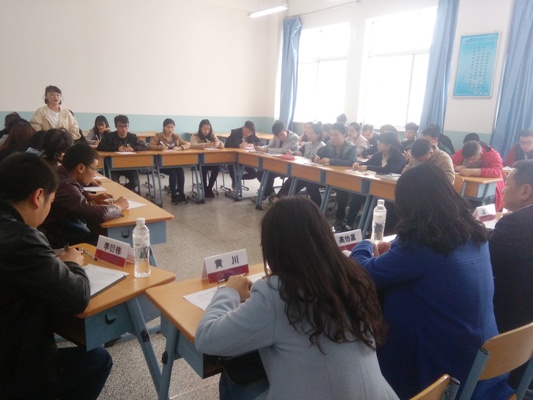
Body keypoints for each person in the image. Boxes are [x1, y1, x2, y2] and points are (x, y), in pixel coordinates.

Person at [195, 197, 399, 400]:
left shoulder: (278, 293)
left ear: (274, 249)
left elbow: (206, 338)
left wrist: (229, 292)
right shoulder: (353, 275)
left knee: (231, 375)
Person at [350, 164, 513, 400]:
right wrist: (394, 255)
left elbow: (363, 273)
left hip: (446, 370)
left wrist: (364, 244)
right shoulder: (473, 231)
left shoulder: (425, 241)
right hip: (484, 360)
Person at [0, 152, 112, 399]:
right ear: (38, 197)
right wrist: (72, 263)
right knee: (99, 360)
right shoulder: (22, 238)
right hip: (12, 368)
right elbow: (78, 297)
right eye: (50, 201)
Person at [490, 160, 533, 389]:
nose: (503, 189)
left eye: (507, 184)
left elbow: (484, 263)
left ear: (525, 191)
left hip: (510, 328)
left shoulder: (515, 224)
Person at [40, 143, 128, 248]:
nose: (95, 173)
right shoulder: (65, 185)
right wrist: (118, 206)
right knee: (99, 242)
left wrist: (91, 196)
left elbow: (72, 193)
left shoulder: (61, 172)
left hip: (55, 225)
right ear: (81, 168)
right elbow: (99, 214)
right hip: (51, 233)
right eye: (94, 169)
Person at [344, 132, 406, 232]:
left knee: (373, 202)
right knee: (357, 196)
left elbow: (389, 169)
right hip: (375, 186)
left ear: (389, 145)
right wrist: (358, 164)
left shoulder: (398, 157)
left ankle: (367, 229)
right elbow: (368, 163)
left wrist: (368, 167)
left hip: (389, 189)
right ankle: (348, 225)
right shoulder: (378, 155)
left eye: (381, 142)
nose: (378, 144)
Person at [313, 122, 356, 231]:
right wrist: (316, 158)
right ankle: (316, 209)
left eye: (336, 135)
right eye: (331, 134)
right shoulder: (328, 144)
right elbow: (317, 153)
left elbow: (351, 162)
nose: (332, 137)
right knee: (310, 182)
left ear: (344, 135)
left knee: (341, 192)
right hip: (328, 177)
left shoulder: (351, 147)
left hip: (344, 179)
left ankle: (340, 217)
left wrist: (331, 161)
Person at [276, 122, 325, 206]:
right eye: (308, 133)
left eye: (311, 133)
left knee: (305, 181)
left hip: (315, 174)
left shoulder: (322, 146)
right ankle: (279, 199)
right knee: (293, 179)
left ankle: (316, 206)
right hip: (305, 171)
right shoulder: (307, 144)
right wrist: (291, 153)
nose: (308, 135)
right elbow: (299, 153)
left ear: (318, 134)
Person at [97, 115, 148, 192]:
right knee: (114, 183)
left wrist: (133, 148)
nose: (124, 129)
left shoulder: (132, 137)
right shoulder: (109, 136)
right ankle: (120, 192)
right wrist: (116, 148)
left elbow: (145, 145)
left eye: (126, 126)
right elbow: (100, 147)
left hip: (129, 165)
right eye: (120, 126)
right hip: (113, 167)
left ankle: (123, 191)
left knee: (135, 182)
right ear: (116, 126)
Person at [452, 140, 505, 211]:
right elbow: (449, 162)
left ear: (480, 154)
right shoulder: (464, 151)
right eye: (466, 160)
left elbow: (497, 171)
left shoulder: (493, 155)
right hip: (466, 187)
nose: (469, 162)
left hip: (491, 191)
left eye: (472, 159)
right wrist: (456, 167)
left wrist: (472, 171)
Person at [253, 120, 298, 202]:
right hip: (278, 164)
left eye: (281, 134)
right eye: (277, 136)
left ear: (285, 129)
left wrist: (266, 150)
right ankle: (271, 193)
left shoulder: (294, 137)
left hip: (289, 166)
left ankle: (266, 194)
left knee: (268, 174)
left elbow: (283, 150)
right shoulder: (276, 136)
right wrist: (261, 148)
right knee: (261, 173)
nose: (280, 137)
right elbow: (270, 146)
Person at [149, 118, 190, 204]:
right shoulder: (159, 136)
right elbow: (150, 145)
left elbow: (187, 144)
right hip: (162, 164)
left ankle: (181, 194)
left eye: (172, 127)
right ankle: (174, 195)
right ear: (164, 127)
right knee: (173, 172)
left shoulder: (176, 137)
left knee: (181, 171)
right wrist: (160, 148)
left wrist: (179, 147)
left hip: (175, 163)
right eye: (168, 127)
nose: (170, 129)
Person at [190, 119, 224, 198]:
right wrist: (205, 145)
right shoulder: (195, 136)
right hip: (198, 161)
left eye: (208, 129)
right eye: (204, 129)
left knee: (217, 168)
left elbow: (222, 145)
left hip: (210, 161)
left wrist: (218, 144)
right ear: (200, 128)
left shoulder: (212, 135)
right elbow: (192, 145)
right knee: (203, 168)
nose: (206, 131)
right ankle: (205, 189)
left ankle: (209, 188)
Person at [224, 120, 262, 190]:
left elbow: (259, 142)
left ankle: (237, 179)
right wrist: (238, 145)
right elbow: (227, 144)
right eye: (247, 131)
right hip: (234, 159)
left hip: (246, 159)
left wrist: (252, 144)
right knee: (231, 165)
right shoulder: (235, 132)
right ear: (244, 127)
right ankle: (235, 182)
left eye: (250, 133)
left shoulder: (252, 134)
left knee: (254, 174)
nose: (248, 134)